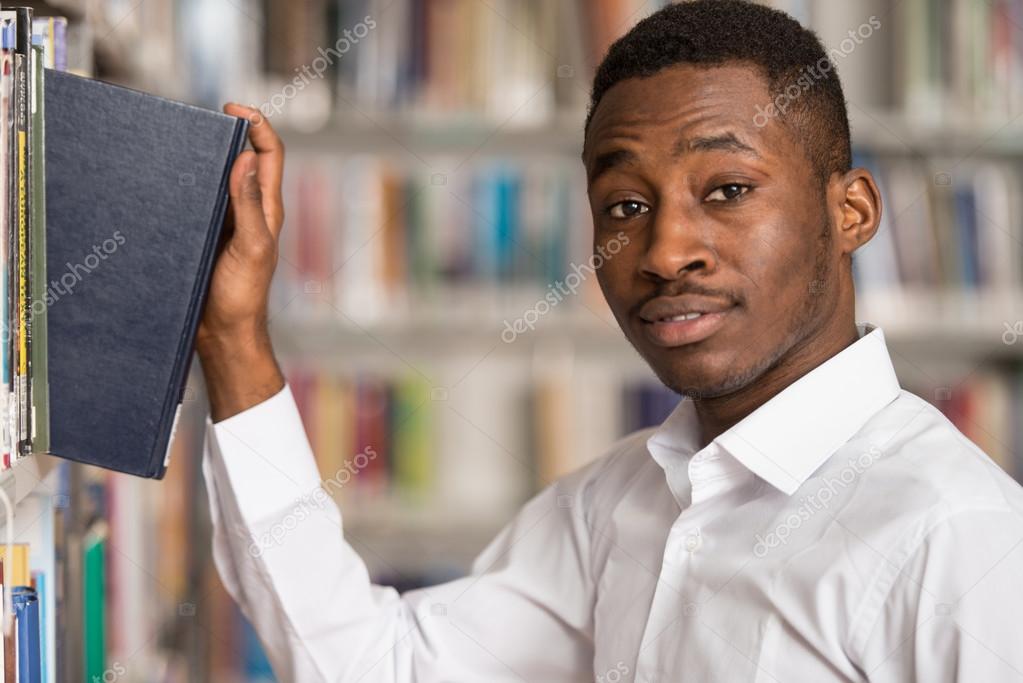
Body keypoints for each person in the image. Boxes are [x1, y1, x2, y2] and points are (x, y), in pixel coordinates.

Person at [196, 2, 1023, 681]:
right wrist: (234, 337)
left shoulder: (958, 533)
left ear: (851, 213)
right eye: (625, 206)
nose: (664, 252)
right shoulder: (616, 504)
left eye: (727, 190)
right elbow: (383, 668)